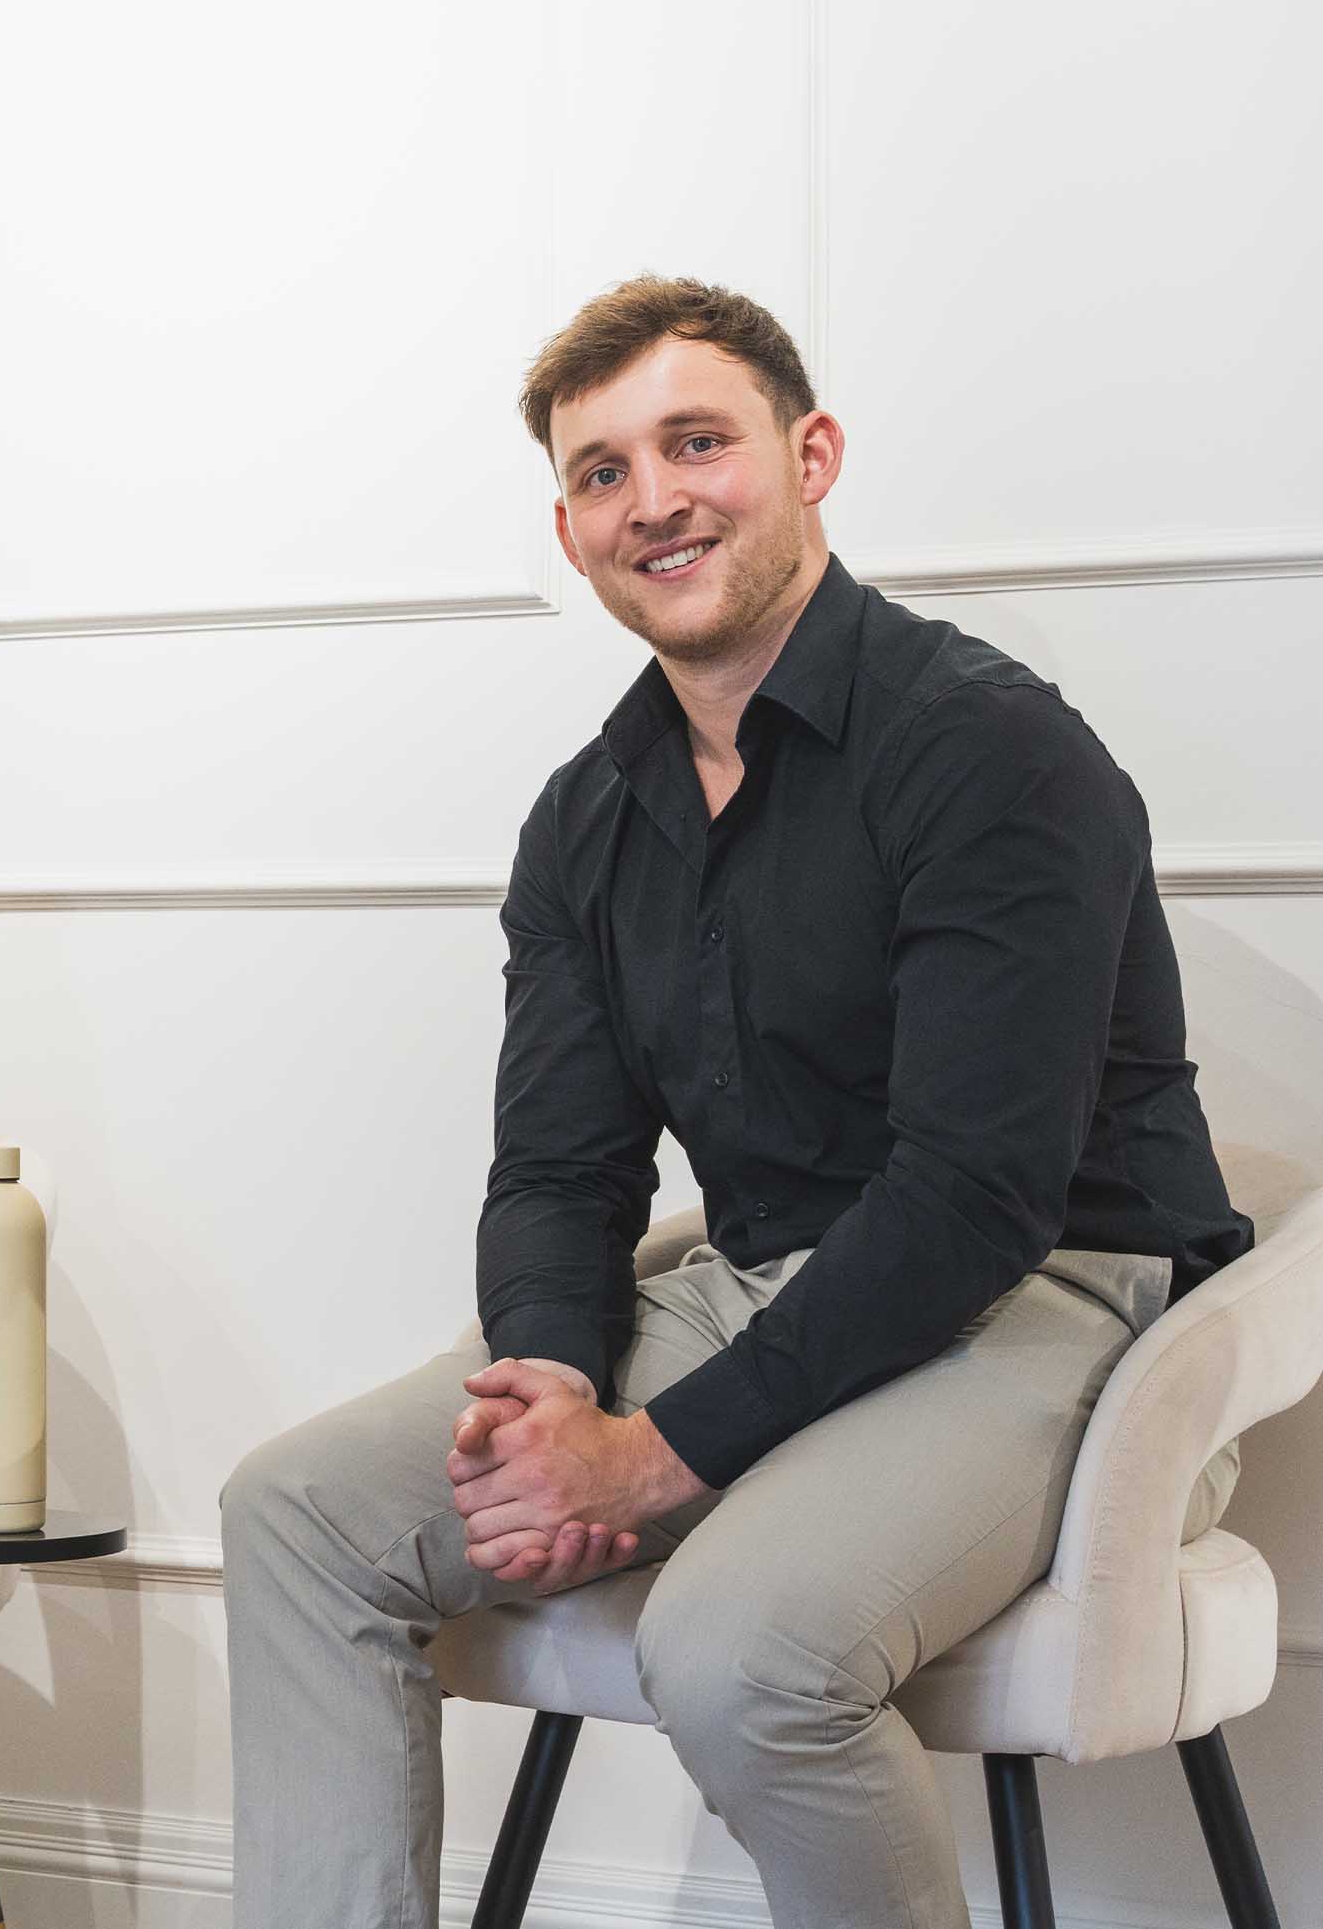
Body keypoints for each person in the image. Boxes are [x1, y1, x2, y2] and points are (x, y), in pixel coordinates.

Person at [219, 277, 1253, 1928]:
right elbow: (560, 1162)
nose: (657, 500)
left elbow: (974, 1198)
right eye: (605, 471)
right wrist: (555, 1379)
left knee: (741, 1645)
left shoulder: (989, 749)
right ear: (569, 530)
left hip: (1053, 1298)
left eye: (697, 442)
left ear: (811, 453)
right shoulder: (586, 816)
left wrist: (653, 1457)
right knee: (294, 1512)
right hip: (761, 1274)